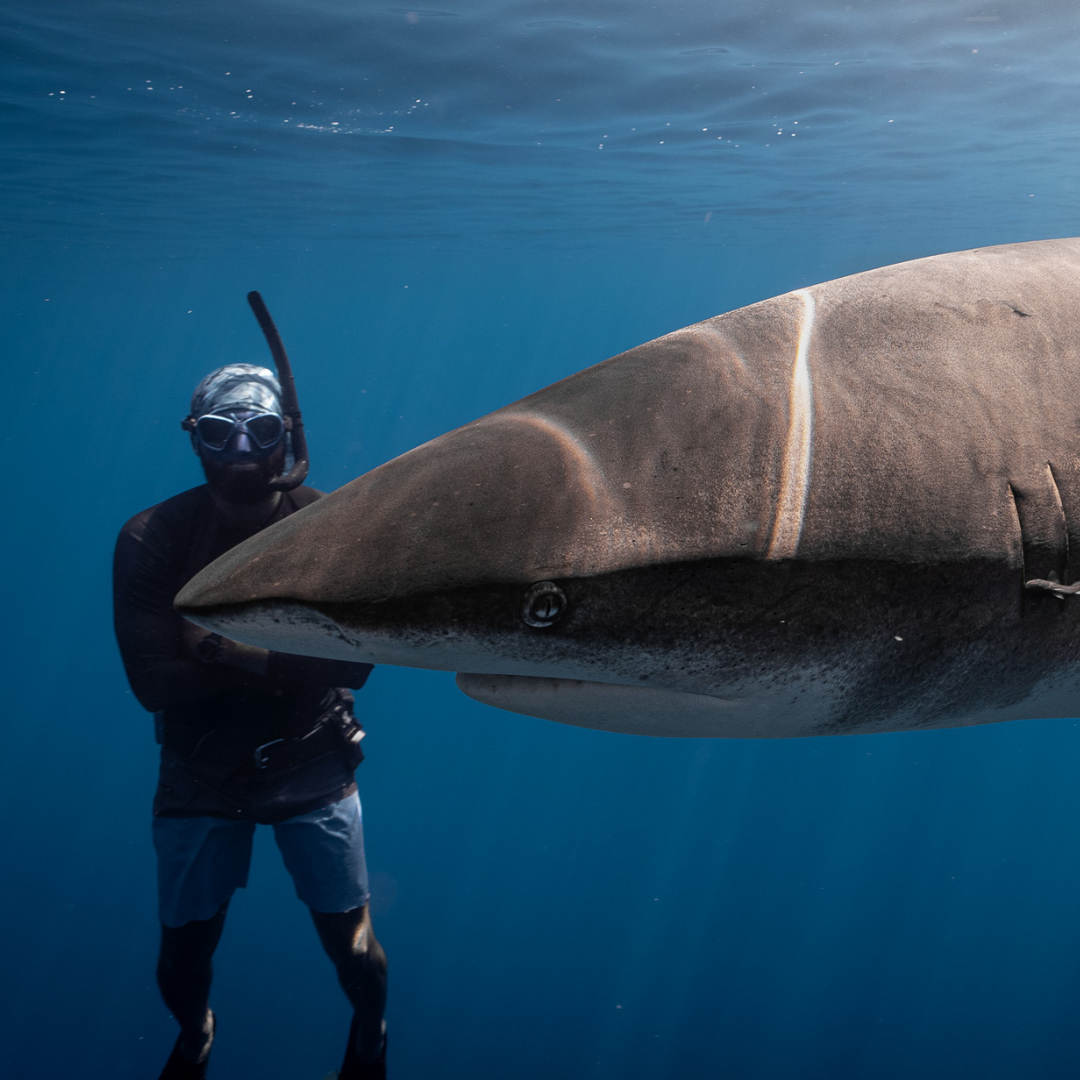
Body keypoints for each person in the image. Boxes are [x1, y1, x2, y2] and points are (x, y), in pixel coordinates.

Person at [113, 361, 387, 1079]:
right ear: (194, 440)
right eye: (218, 433)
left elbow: (355, 667)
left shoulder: (324, 524)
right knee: (183, 956)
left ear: (285, 436)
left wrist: (220, 649)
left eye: (260, 432)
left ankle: (371, 1029)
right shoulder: (151, 538)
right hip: (201, 770)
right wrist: (284, 656)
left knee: (352, 945)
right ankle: (196, 1030)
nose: (240, 454)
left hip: (312, 758)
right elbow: (149, 685)